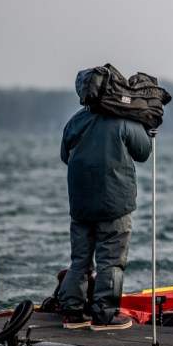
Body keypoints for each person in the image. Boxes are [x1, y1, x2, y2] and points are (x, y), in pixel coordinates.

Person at [59, 75, 152, 330]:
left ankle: (73, 312)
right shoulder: (123, 120)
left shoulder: (75, 121)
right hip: (115, 204)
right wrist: (146, 125)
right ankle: (105, 315)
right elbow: (143, 152)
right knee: (111, 260)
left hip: (81, 204)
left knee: (80, 259)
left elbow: (65, 156)